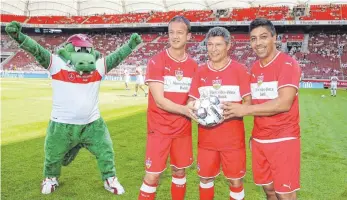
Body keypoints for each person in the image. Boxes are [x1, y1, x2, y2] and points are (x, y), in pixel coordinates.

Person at [223, 18, 302, 200]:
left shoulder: (287, 64)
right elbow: (252, 101)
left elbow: (284, 103)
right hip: (259, 138)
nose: (258, 43)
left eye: (263, 37)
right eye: (253, 38)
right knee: (269, 191)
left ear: (275, 38)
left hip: (284, 138)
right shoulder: (255, 68)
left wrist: (244, 110)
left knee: (285, 194)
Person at [138, 16, 198, 200]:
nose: (175, 36)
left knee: (179, 172)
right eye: (171, 32)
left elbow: (192, 98)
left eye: (180, 32)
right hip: (159, 130)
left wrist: (193, 106)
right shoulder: (157, 61)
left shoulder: (194, 66)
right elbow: (160, 100)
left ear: (189, 36)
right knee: (153, 175)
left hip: (182, 130)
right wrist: (186, 110)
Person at [189, 27, 251, 200]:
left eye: (218, 45)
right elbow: (190, 102)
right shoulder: (200, 71)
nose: (213, 49)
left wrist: (233, 110)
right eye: (209, 44)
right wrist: (196, 108)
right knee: (205, 179)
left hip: (233, 141)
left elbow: (248, 103)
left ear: (228, 46)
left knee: (236, 182)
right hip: (206, 141)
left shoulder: (240, 70)